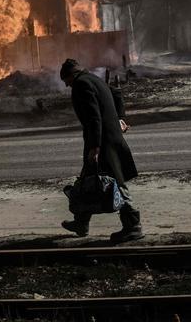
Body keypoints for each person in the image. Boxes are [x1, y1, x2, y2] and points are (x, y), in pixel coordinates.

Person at [59, 58, 143, 243]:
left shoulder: (81, 84)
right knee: (87, 181)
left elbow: (93, 117)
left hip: (102, 143)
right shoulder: (95, 80)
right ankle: (81, 222)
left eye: (67, 81)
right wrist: (120, 118)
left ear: (72, 75)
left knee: (115, 183)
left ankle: (133, 226)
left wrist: (95, 147)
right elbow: (117, 93)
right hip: (108, 139)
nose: (67, 86)